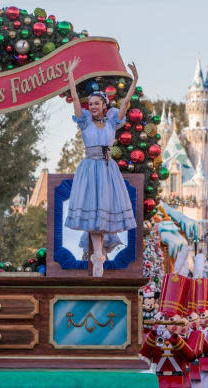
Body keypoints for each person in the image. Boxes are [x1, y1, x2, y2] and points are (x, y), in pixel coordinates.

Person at [64, 56, 138, 277]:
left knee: (104, 214)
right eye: (91, 104)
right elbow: (76, 101)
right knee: (93, 215)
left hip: (107, 170)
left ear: (104, 106)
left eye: (97, 104)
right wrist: (70, 77)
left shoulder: (112, 120)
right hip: (90, 168)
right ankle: (98, 255)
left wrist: (134, 82)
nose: (93, 107)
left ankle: (99, 254)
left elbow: (125, 105)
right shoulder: (84, 120)